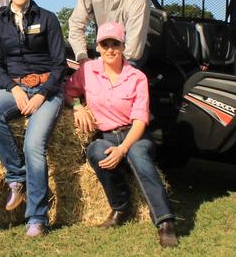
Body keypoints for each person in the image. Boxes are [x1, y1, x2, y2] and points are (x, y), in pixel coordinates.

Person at [65, 22, 178, 248]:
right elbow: (67, 91)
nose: (109, 49)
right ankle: (121, 207)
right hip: (106, 135)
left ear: (123, 46)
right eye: (104, 44)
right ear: (97, 47)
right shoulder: (87, 71)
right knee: (95, 151)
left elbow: (139, 121)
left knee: (139, 157)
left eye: (114, 44)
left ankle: (165, 222)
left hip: (134, 135)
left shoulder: (137, 77)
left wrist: (122, 149)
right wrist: (77, 106)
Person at [0, 0, 67, 237]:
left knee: (33, 144)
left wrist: (42, 95)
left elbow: (59, 65)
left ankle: (37, 217)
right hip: (15, 87)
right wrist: (13, 88)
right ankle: (17, 178)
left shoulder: (48, 18)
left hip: (47, 90)